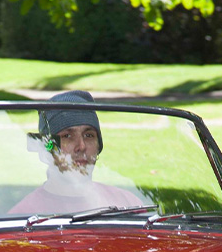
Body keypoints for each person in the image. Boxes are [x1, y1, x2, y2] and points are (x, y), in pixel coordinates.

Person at [9, 90, 141, 214]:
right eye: (67, 136)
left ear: (98, 145)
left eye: (88, 135)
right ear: (47, 148)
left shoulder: (128, 205)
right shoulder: (23, 217)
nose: (81, 146)